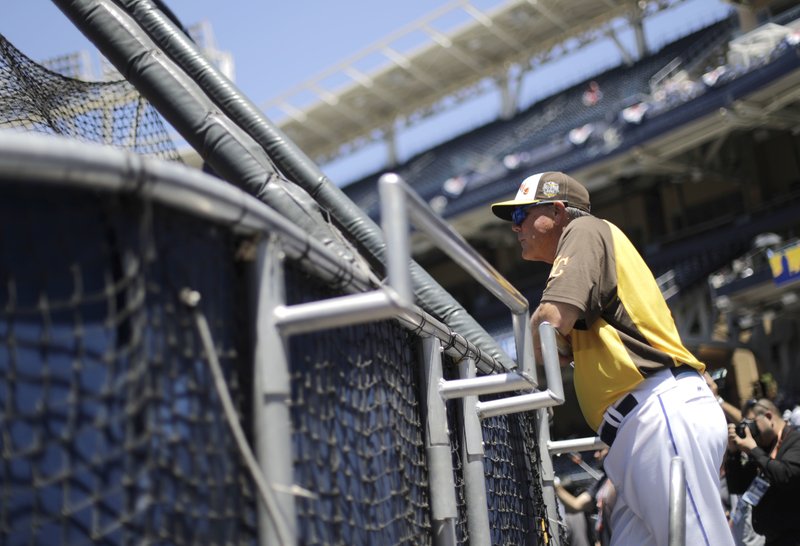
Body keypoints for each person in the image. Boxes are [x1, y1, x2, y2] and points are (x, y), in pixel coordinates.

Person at [490, 171, 733, 546]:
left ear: (557, 211)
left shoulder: (584, 231)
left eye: (522, 215)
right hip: (639, 426)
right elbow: (546, 344)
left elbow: (548, 324)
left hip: (657, 412)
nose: (515, 228)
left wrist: (548, 329)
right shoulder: (586, 251)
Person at [725, 398, 800, 545]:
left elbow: (786, 475)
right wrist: (734, 453)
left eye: (753, 423)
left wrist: (753, 450)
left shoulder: (795, 441)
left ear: (768, 417)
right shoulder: (764, 449)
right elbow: (737, 486)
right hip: (772, 539)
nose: (751, 431)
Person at [555, 448, 615, 546]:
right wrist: (555, 485)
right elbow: (576, 505)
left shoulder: (620, 478)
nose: (596, 455)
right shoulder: (602, 482)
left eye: (600, 450)